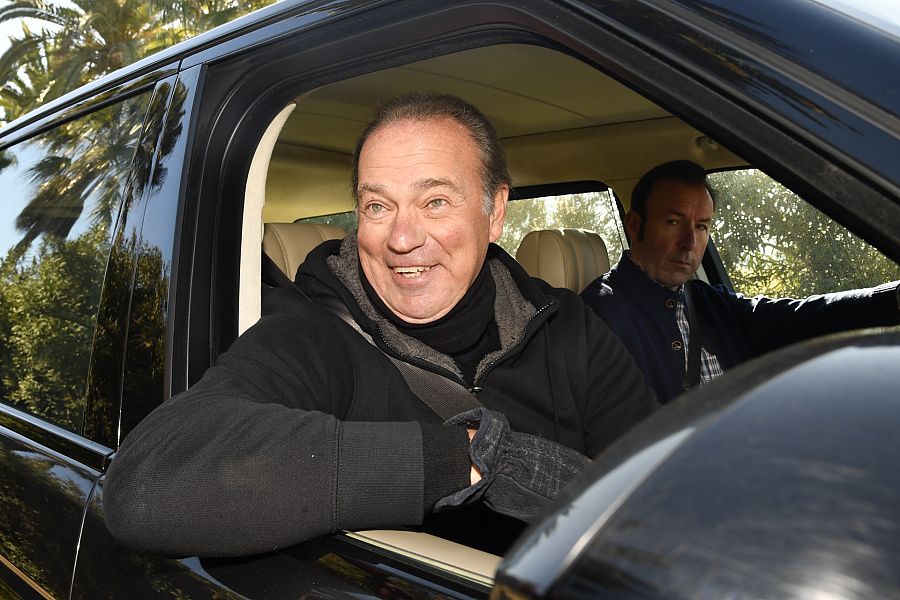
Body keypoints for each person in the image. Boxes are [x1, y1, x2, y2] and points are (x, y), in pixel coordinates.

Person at [103, 92, 659, 558]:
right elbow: (148, 482)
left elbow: (668, 491)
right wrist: (469, 460)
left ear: (494, 212)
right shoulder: (313, 333)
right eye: (376, 206)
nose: (400, 238)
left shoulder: (568, 329)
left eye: (435, 201)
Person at [581, 159, 900, 404]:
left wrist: (892, 300)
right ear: (635, 225)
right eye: (673, 222)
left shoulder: (705, 301)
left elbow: (799, 316)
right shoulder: (599, 317)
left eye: (702, 226)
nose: (690, 243)